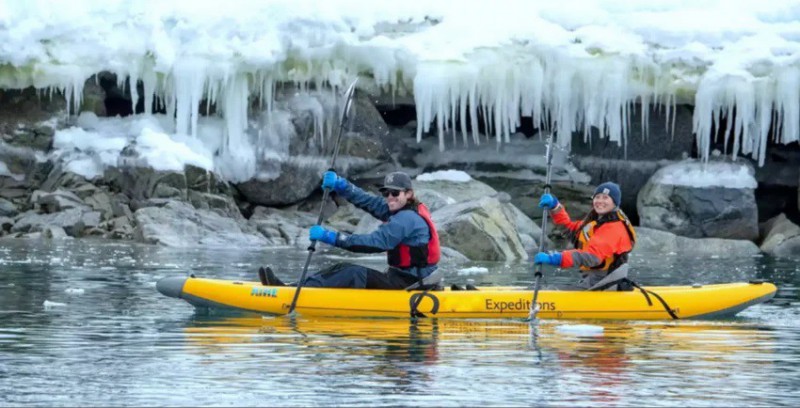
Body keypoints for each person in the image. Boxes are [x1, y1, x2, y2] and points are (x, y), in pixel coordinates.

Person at [260, 170, 441, 289]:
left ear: (408, 194)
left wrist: (333, 237)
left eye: (395, 193)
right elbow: (367, 201)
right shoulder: (400, 208)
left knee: (351, 273)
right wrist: (342, 185)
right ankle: (294, 287)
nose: (390, 197)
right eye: (386, 193)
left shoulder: (407, 219)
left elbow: (374, 243)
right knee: (342, 268)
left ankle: (292, 291)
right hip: (403, 277)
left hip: (412, 282)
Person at [533, 181, 637, 291]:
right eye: (597, 197)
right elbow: (569, 229)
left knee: (550, 291)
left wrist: (557, 258)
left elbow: (592, 257)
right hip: (594, 282)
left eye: (605, 198)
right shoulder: (596, 223)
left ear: (615, 203)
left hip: (605, 284)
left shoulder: (614, 227)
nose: (600, 201)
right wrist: (555, 207)